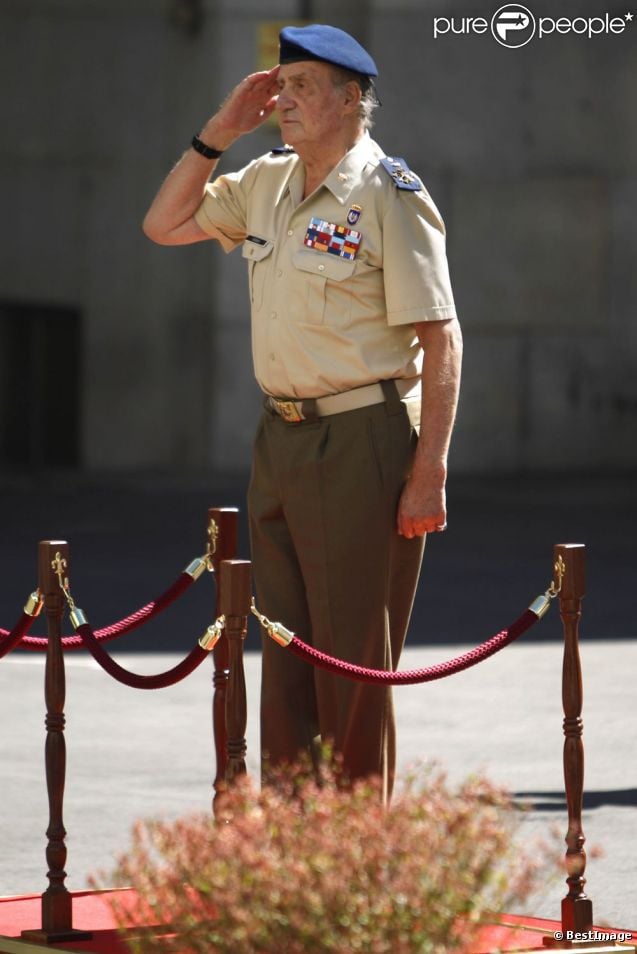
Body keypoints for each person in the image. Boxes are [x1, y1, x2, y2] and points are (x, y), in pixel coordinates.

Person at [143, 23, 462, 801]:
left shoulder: (387, 192)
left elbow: (440, 337)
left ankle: (353, 851)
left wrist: (428, 473)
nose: (282, 98)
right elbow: (163, 224)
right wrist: (219, 130)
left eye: (304, 87)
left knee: (352, 654)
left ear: (352, 101)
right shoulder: (264, 181)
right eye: (278, 85)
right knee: (283, 646)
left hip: (364, 437)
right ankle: (293, 850)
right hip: (280, 437)